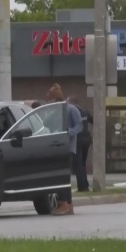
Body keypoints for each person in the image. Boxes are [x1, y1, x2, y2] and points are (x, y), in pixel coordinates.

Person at [46, 84, 81, 216]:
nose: (50, 102)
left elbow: (79, 126)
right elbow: (45, 123)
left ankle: (64, 202)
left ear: (57, 99)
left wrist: (69, 133)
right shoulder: (54, 111)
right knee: (60, 177)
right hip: (57, 147)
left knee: (63, 177)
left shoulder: (71, 109)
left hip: (68, 148)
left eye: (51, 99)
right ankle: (68, 204)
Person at [67, 96, 92, 192]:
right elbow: (94, 121)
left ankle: (82, 187)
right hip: (87, 139)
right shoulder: (85, 111)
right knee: (82, 164)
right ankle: (85, 185)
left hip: (78, 139)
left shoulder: (72, 111)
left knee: (78, 164)